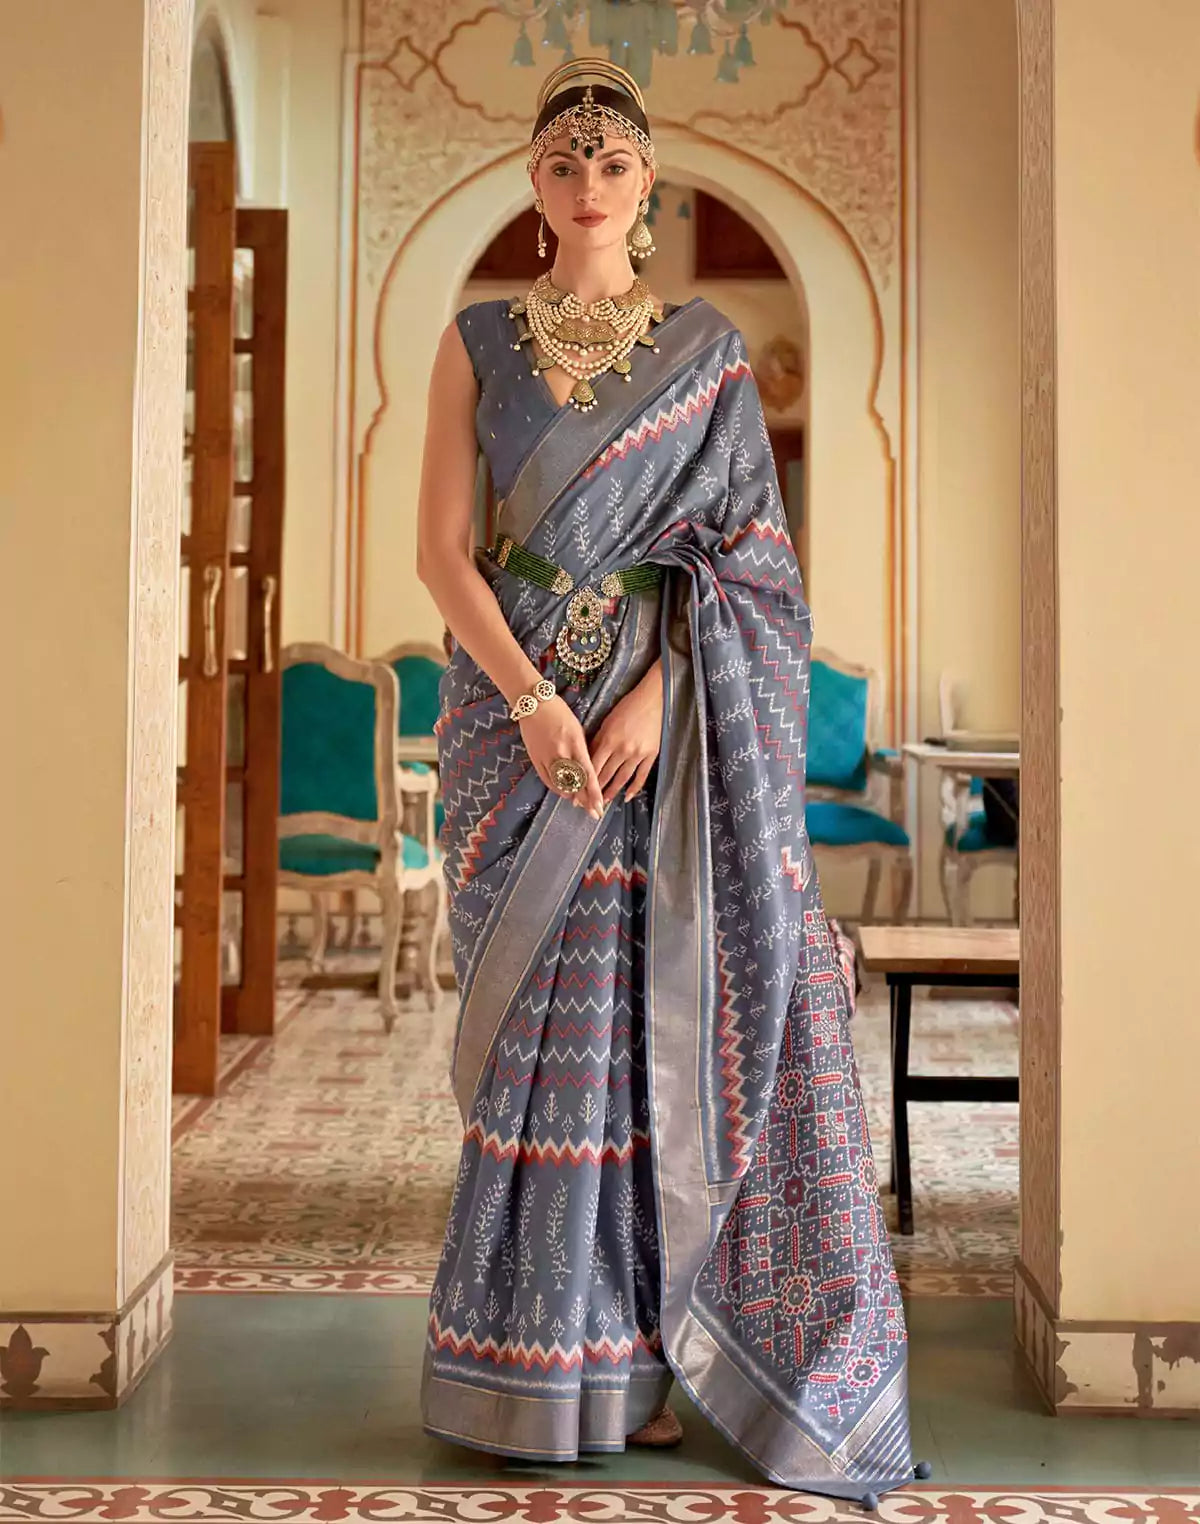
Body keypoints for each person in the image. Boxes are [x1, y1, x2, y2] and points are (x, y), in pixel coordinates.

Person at [415, 58, 921, 1506]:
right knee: (539, 1038)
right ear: (535, 183)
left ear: (647, 186)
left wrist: (658, 692)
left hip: (659, 741)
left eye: (615, 165)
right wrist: (531, 703)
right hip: (516, 725)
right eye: (565, 163)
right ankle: (527, 1368)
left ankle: (635, 1368)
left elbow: (752, 563)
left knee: (644, 1040)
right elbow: (443, 551)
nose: (589, 186)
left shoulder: (705, 353)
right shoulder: (476, 341)